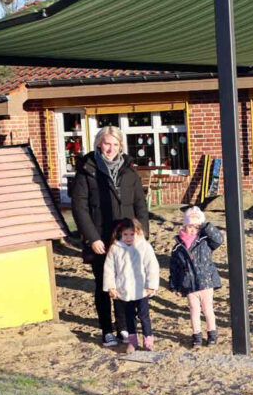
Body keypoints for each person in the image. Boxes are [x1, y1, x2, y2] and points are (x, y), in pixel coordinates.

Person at [71, 126, 149, 347]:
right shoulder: (88, 169)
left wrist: (142, 234)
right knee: (104, 285)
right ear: (99, 144)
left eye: (115, 144)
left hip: (127, 238)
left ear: (121, 146)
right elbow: (80, 207)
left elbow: (140, 205)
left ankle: (124, 326)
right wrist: (92, 237)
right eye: (107, 143)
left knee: (125, 283)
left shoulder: (129, 170)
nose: (111, 148)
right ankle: (107, 329)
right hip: (100, 238)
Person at [169, 206, 224, 347]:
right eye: (190, 226)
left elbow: (219, 239)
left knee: (207, 309)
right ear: (184, 225)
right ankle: (197, 335)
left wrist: (205, 225)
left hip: (206, 281)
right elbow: (174, 268)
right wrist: (174, 285)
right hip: (190, 284)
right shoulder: (178, 248)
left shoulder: (205, 241)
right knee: (194, 310)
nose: (193, 230)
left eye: (196, 227)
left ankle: (212, 333)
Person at [103, 218, 159, 353]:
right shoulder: (115, 248)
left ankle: (148, 340)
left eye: (132, 234)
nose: (128, 238)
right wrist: (111, 286)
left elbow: (152, 266)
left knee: (144, 315)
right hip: (124, 290)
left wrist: (151, 285)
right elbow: (109, 269)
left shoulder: (144, 247)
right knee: (129, 317)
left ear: (138, 233)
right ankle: (133, 342)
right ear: (120, 234)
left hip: (141, 290)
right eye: (125, 235)